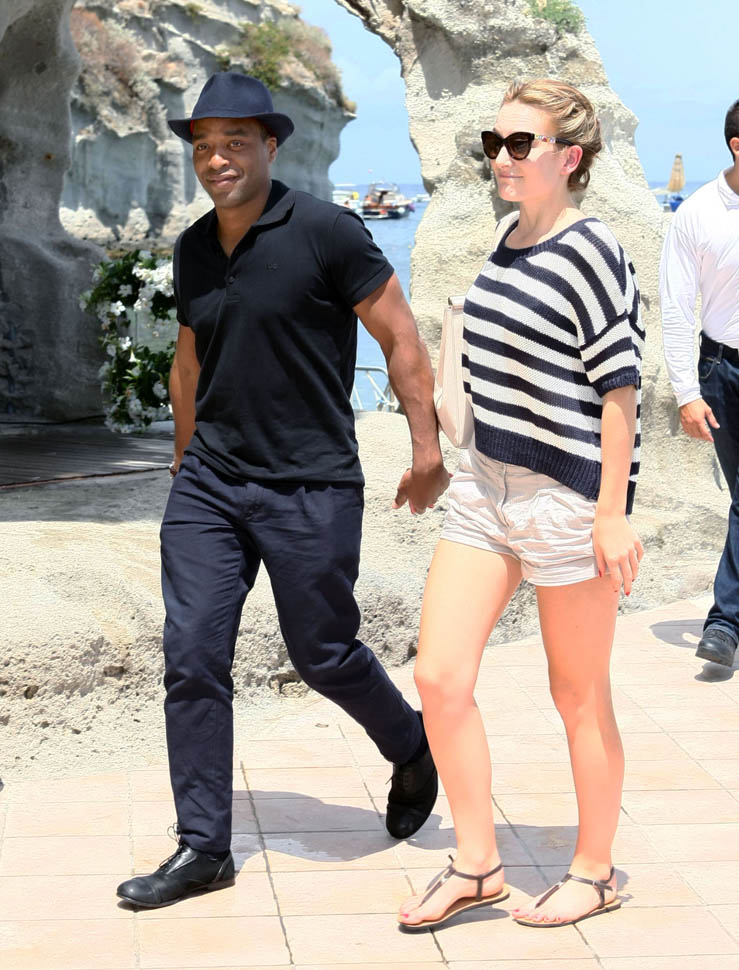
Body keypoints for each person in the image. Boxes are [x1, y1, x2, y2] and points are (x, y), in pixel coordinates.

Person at [116, 71, 449, 909]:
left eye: (235, 142)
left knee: (323, 654)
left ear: (270, 145)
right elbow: (188, 360)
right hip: (212, 485)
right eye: (203, 145)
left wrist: (425, 449)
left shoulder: (329, 232)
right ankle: (203, 847)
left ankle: (411, 746)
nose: (217, 158)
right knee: (192, 657)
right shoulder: (194, 246)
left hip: (311, 481)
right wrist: (185, 459)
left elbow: (399, 336)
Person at [396, 79, 645, 930]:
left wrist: (610, 512)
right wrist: (442, 460)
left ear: (568, 157)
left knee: (577, 694)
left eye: (518, 143)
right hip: (485, 490)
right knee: (437, 676)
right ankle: (476, 865)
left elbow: (618, 390)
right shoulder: (505, 238)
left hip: (564, 499)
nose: (499, 158)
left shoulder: (591, 249)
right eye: (492, 142)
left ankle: (595, 872)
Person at [659, 98, 739, 669]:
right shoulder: (697, 214)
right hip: (722, 370)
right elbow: (675, 307)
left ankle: (724, 624)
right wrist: (686, 391)